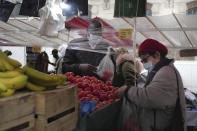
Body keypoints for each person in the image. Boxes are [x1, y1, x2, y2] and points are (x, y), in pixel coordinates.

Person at [115, 39, 186, 131]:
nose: (144, 64)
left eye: (145, 59)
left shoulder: (166, 72)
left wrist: (127, 90)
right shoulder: (159, 71)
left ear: (157, 55)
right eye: (142, 61)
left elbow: (150, 97)